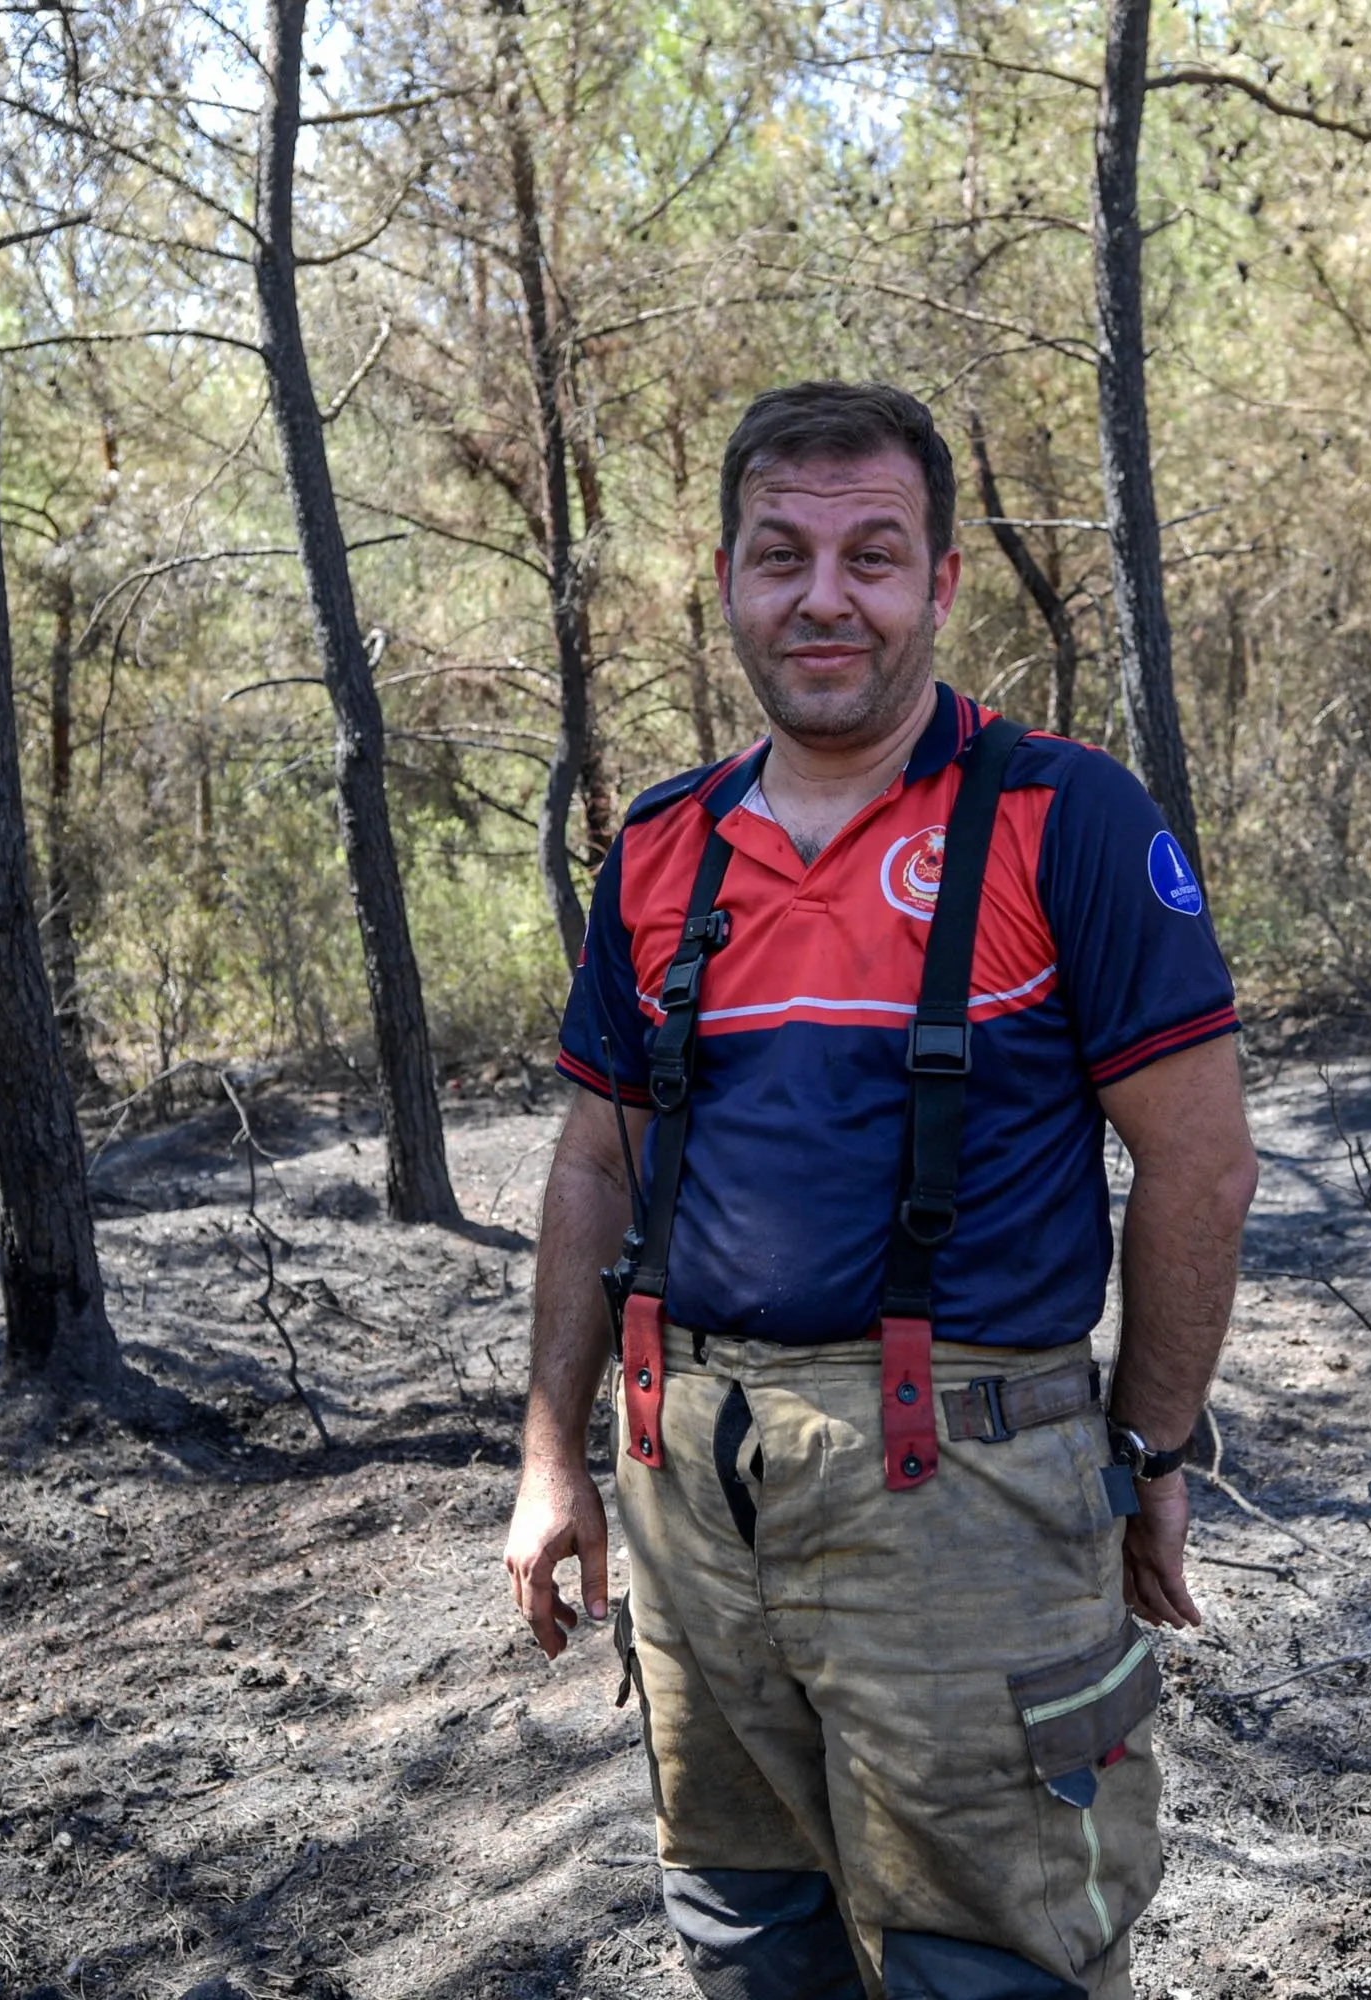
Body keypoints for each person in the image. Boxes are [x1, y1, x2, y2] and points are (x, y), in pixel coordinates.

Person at [502, 379, 1260, 2000]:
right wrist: (553, 1459)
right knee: (748, 1938)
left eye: (873, 555)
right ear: (726, 581)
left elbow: (1199, 1161)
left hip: (967, 1499)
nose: (825, 597)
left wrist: (1148, 1448)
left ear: (942, 583)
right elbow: (590, 1164)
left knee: (986, 1966)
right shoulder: (662, 847)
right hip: (689, 1494)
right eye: (783, 556)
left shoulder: (1065, 821)